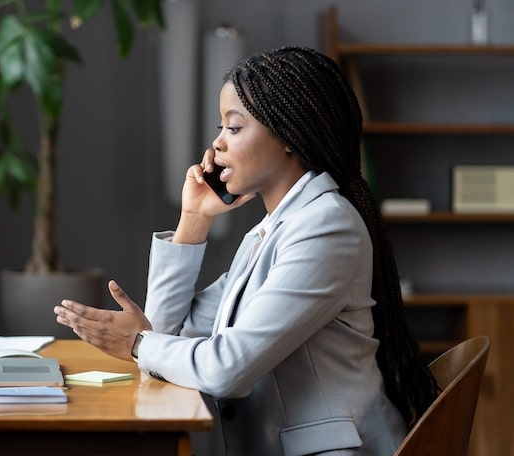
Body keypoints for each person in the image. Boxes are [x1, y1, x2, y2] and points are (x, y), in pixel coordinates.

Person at [53, 46, 439, 455]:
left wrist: (136, 343)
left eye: (233, 128)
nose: (216, 144)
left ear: (289, 134)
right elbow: (165, 334)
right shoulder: (270, 232)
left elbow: (224, 369)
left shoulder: (326, 227)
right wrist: (194, 219)